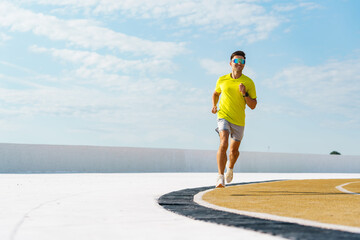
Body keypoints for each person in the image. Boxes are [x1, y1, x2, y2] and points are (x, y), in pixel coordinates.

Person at [211, 50, 257, 188]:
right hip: (223, 115)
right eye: (236, 61)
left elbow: (253, 105)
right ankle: (220, 177)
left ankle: (230, 167)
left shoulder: (248, 82)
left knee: (233, 152)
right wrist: (214, 105)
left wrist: (244, 94)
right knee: (223, 142)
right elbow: (215, 93)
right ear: (230, 63)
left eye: (242, 61)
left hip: (239, 120)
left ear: (244, 65)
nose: (239, 63)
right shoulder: (222, 79)